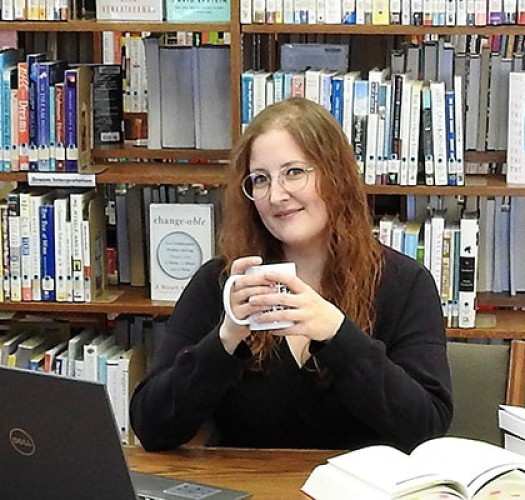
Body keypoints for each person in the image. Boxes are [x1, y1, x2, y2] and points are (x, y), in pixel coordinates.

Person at [130, 97, 452, 453]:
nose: (276, 195)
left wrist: (337, 335)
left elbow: (426, 430)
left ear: (336, 176)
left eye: (294, 172)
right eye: (260, 179)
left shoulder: (405, 283)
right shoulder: (220, 283)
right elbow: (151, 427)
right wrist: (226, 338)